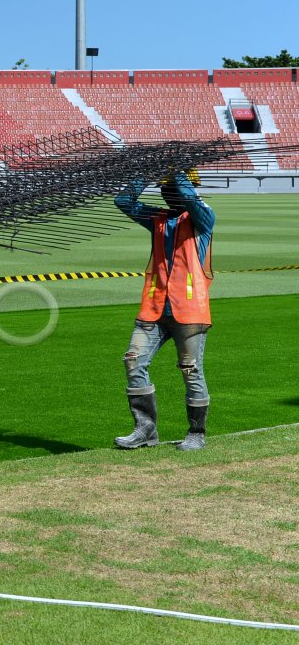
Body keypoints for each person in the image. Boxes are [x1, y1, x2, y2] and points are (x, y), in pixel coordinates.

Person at [113, 169, 215, 451]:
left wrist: (178, 173)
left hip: (190, 311)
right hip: (154, 308)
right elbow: (123, 201)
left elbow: (190, 201)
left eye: (172, 189)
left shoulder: (203, 217)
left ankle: (197, 432)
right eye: (166, 189)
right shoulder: (158, 219)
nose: (169, 194)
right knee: (133, 362)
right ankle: (145, 430)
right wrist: (146, 174)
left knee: (191, 370)